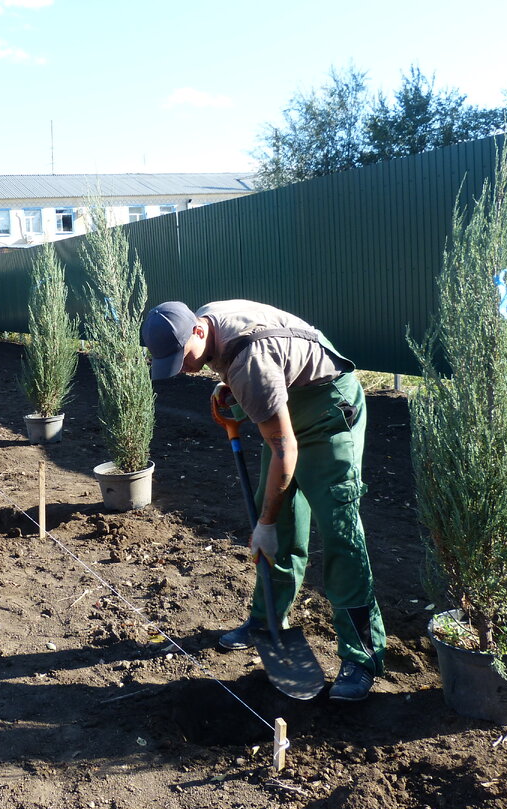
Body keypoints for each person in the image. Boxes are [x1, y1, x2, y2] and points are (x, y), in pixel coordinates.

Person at [141, 300, 386, 701]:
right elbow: (271, 360)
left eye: (182, 357)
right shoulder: (211, 320)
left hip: (329, 407)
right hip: (290, 399)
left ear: (198, 332)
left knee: (339, 530)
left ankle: (362, 656)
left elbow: (284, 449)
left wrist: (266, 525)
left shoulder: (248, 364)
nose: (183, 368)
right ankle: (266, 619)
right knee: (276, 509)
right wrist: (230, 390)